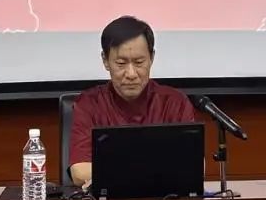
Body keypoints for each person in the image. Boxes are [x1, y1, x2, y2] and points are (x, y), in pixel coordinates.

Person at [68, 14, 195, 187]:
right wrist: (154, 169)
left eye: (139, 62)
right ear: (105, 61)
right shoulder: (89, 104)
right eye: (121, 63)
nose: (131, 74)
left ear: (152, 58)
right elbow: (79, 172)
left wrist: (116, 170)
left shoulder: (174, 103)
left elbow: (194, 165)